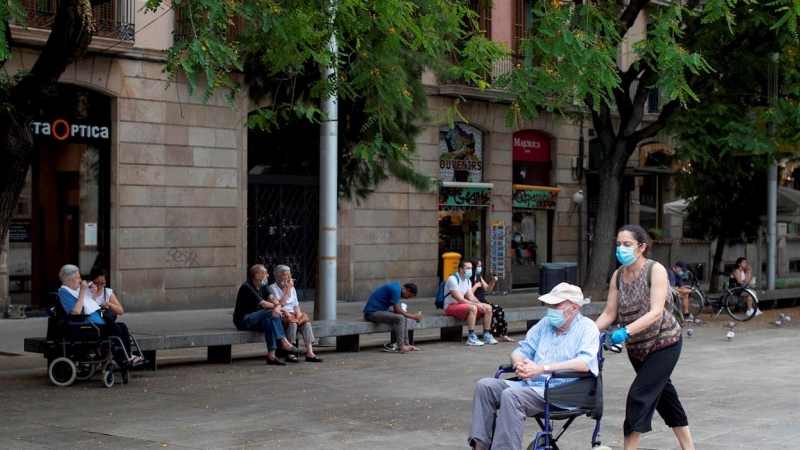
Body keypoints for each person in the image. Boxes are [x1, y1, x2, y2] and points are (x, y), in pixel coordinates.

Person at [596, 224, 695, 450]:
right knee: (665, 398)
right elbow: (610, 313)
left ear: (641, 247)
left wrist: (625, 331)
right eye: (619, 244)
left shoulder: (656, 270)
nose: (621, 249)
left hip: (664, 343)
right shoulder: (618, 275)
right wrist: (588, 333)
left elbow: (656, 311)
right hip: (638, 349)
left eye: (627, 244)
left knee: (639, 396)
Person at [467, 282, 599, 450]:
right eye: (549, 304)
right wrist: (519, 365)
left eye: (556, 305)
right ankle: (479, 447)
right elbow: (521, 350)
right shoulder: (545, 324)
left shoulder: (588, 328)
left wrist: (542, 368)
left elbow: (584, 363)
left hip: (562, 391)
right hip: (531, 385)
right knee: (484, 386)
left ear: (574, 308)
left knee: (511, 396)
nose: (550, 308)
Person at [57, 264, 144, 367]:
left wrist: (95, 297)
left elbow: (89, 307)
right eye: (77, 278)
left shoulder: (76, 290)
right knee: (116, 328)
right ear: (68, 280)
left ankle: (127, 356)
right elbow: (76, 312)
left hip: (96, 321)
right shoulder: (64, 291)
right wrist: (83, 291)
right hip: (86, 326)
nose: (80, 280)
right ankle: (123, 358)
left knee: (122, 326)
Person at [233, 264, 301, 365]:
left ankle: (271, 356)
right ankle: (284, 342)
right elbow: (263, 304)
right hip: (244, 320)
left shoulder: (263, 285)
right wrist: (279, 308)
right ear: (257, 276)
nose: (268, 275)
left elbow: (272, 298)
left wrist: (278, 306)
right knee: (269, 312)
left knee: (269, 320)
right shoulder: (247, 287)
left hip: (259, 319)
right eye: (265, 273)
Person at [268, 265, 322, 363]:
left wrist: (298, 311)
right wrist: (288, 289)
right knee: (292, 324)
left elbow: (296, 304)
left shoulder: (292, 288)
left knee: (307, 324)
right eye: (286, 275)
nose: (289, 277)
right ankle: (290, 353)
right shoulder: (273, 288)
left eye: (290, 275)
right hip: (282, 315)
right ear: (278, 277)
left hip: (293, 314)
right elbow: (280, 304)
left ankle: (310, 352)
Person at [443, 260, 495, 346]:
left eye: (471, 268)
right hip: (450, 306)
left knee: (488, 308)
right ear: (461, 269)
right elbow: (459, 299)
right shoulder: (453, 279)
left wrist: (479, 303)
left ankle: (486, 334)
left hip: (461, 305)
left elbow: (471, 296)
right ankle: (471, 337)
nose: (470, 270)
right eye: (468, 268)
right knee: (473, 308)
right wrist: (475, 305)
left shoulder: (467, 281)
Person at [363, 282, 422, 353]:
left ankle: (406, 344)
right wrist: (413, 316)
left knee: (403, 317)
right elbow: (397, 310)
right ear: (407, 290)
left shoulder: (397, 288)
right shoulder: (395, 290)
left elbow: (399, 310)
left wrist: (410, 314)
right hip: (371, 313)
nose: (407, 299)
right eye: (409, 296)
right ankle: (401, 347)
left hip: (380, 311)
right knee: (400, 318)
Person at [469, 258, 514, 342]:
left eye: (481, 266)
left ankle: (503, 334)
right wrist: (475, 286)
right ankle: (489, 334)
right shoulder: (468, 279)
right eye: (478, 266)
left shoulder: (479, 277)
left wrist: (493, 281)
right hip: (474, 302)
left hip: (482, 301)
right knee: (490, 311)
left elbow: (487, 289)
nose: (480, 268)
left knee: (499, 310)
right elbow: (467, 294)